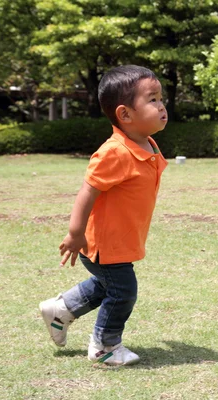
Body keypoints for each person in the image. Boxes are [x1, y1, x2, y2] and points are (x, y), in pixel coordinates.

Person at [39, 65, 168, 367]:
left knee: (107, 285)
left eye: (161, 98)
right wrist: (75, 233)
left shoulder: (146, 144)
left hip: (121, 239)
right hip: (103, 244)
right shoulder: (115, 152)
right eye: (152, 100)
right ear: (125, 114)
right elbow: (88, 190)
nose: (162, 105)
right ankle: (105, 346)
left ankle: (61, 309)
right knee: (123, 291)